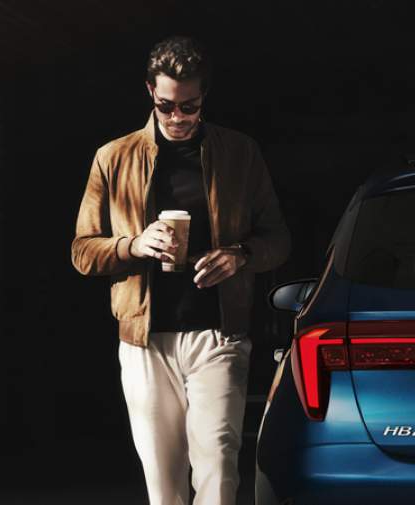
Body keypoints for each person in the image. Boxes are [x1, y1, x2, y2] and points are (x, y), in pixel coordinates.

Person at [70, 36, 290, 505]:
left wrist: (240, 255)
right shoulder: (114, 156)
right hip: (144, 341)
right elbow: (83, 252)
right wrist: (134, 244)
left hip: (219, 334)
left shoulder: (239, 153)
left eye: (189, 106)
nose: (177, 117)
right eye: (166, 105)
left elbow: (278, 240)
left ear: (204, 96)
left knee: (218, 467)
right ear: (150, 91)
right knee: (164, 484)